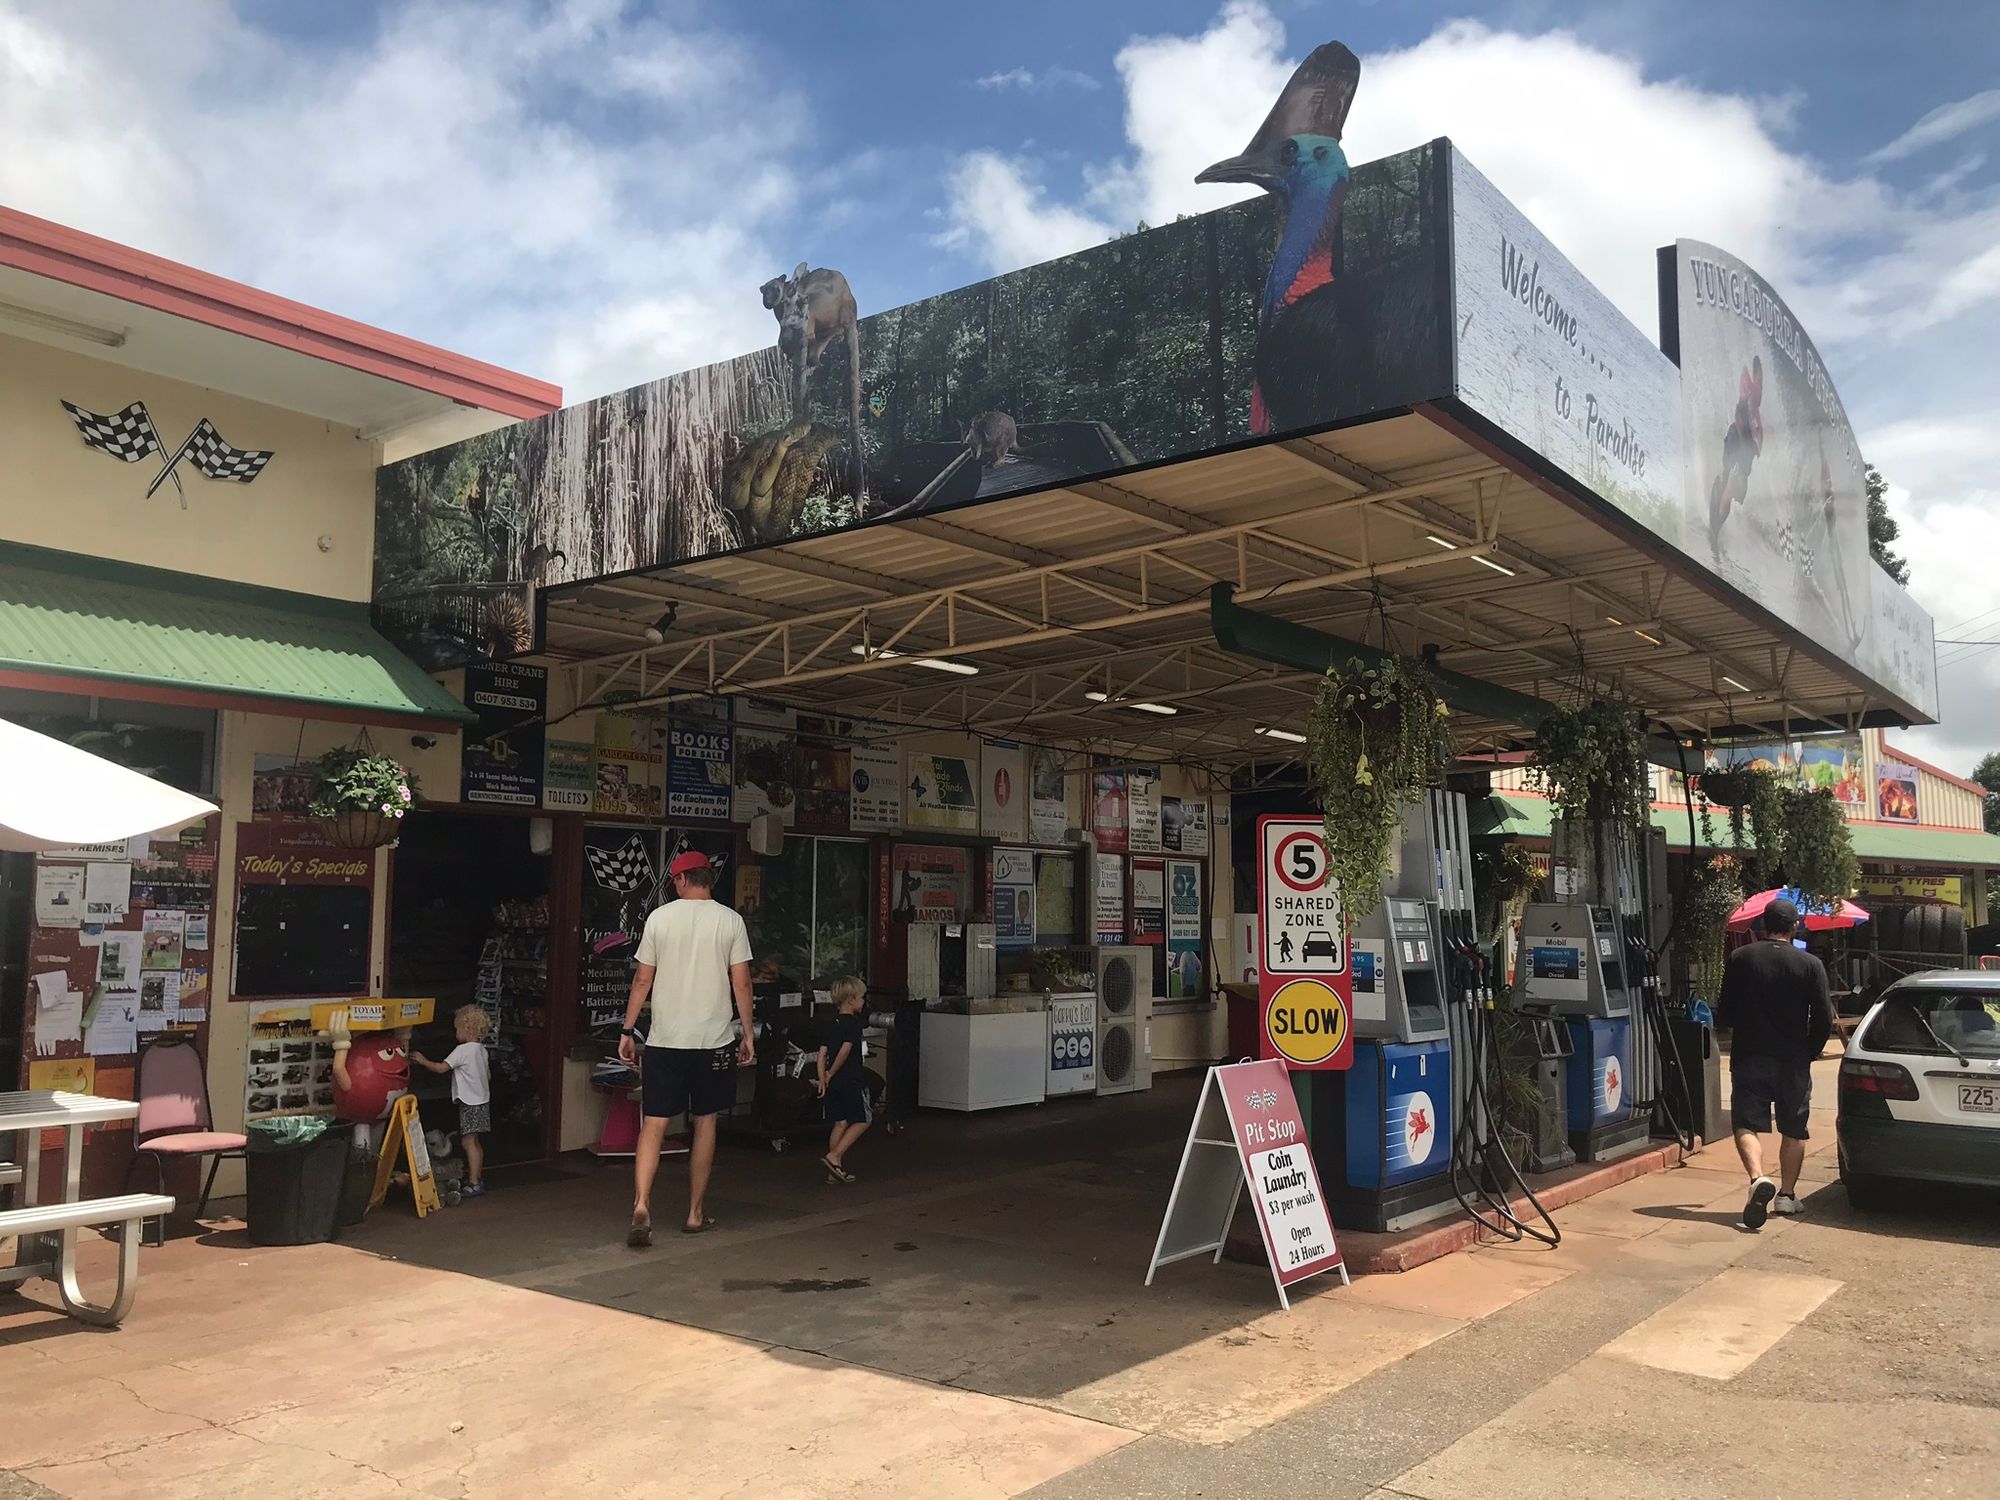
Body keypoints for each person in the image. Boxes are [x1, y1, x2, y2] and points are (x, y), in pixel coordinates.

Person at [617, 851, 754, 1246]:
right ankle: (695, 1213)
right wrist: (747, 1032)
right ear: (707, 879)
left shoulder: (660, 919)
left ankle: (642, 1204)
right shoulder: (731, 920)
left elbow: (643, 980)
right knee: (706, 1121)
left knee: (654, 1123)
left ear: (679, 880)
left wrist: (628, 1029)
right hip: (713, 1041)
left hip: (665, 1040)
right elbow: (741, 983)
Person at [1715, 897, 1834, 1229]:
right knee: (1794, 1129)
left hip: (1750, 1054)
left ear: (1762, 925)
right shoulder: (1810, 964)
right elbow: (1824, 1017)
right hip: (1793, 1058)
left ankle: (1757, 1178)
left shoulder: (1741, 958)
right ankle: (1786, 1195)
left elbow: (1725, 1011)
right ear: (1794, 927)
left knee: (1745, 1124)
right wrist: (1810, 1050)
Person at [410, 1006, 493, 1198]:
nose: (455, 1033)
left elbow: (441, 1068)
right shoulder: (482, 1050)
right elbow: (487, 1076)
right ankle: (477, 1177)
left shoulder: (462, 1051)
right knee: (475, 1141)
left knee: (467, 1142)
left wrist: (422, 1060)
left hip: (470, 1103)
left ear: (467, 1028)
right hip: (481, 1101)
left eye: (457, 1029)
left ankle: (473, 1182)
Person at [815, 977, 872, 1183]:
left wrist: (823, 1077)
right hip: (851, 1078)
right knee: (864, 1119)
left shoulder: (831, 1024)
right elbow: (845, 1051)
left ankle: (834, 1170)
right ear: (851, 1000)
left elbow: (822, 1053)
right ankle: (835, 1156)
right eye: (862, 998)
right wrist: (831, 1071)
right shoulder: (854, 1025)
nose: (864, 1001)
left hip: (834, 1083)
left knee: (840, 1122)